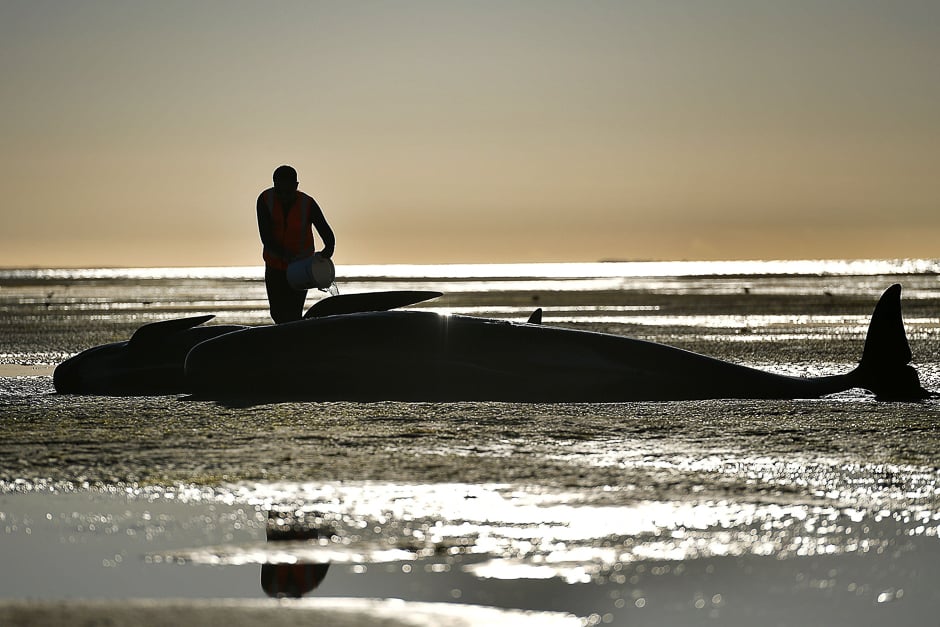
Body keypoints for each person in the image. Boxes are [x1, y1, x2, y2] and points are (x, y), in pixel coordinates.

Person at [257, 165, 336, 323]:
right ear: (274, 185)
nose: (284, 196)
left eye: (288, 192)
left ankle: (297, 341)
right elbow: (266, 237)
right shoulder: (265, 200)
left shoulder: (307, 203)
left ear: (296, 186)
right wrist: (284, 255)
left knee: (293, 314)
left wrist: (326, 253)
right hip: (274, 267)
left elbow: (327, 234)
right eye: (280, 192)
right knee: (277, 313)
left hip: (301, 268)